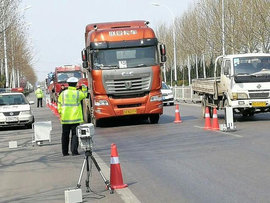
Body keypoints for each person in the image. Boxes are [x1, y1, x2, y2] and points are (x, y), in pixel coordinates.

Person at [58, 77, 87, 156]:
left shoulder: (63, 93)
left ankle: (65, 152)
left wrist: (61, 113)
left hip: (65, 118)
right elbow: (85, 95)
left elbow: (59, 105)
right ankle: (74, 151)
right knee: (75, 135)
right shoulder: (78, 93)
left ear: (68, 84)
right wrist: (84, 88)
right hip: (75, 118)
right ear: (76, 84)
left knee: (65, 135)